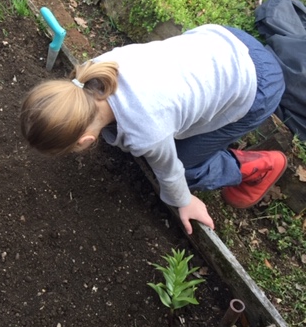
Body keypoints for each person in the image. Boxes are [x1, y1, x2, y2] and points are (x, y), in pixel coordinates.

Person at [20, 24, 286, 236]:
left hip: (258, 86)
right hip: (224, 41)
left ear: (85, 140)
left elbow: (170, 172)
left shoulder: (147, 132)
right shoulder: (93, 71)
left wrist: (184, 201)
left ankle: (258, 167)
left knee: (186, 166)